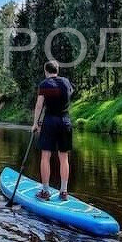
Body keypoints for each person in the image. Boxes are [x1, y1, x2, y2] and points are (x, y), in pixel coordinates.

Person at [31, 60, 74, 201]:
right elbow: (70, 92)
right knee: (64, 158)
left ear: (46, 71)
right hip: (65, 121)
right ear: (57, 70)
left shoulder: (44, 84)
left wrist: (35, 124)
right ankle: (64, 191)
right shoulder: (66, 82)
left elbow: (39, 105)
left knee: (45, 156)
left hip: (50, 121)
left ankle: (45, 191)